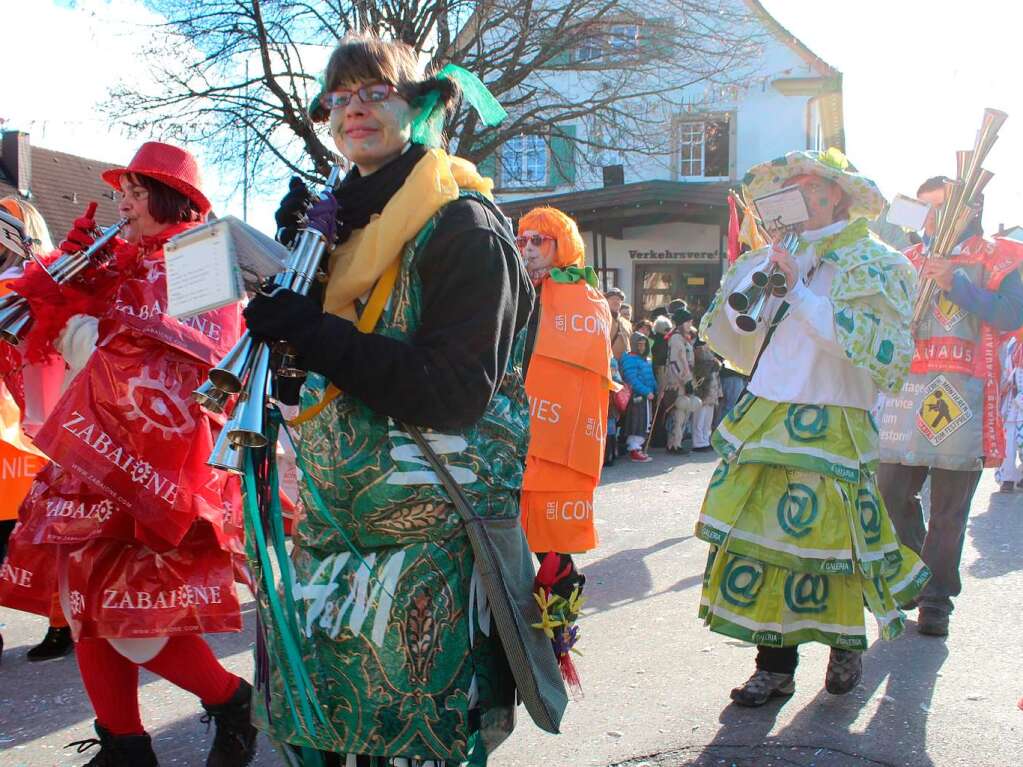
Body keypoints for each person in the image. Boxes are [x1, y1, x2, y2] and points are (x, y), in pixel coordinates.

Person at [239, 35, 563, 764]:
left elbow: (450, 394)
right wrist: (299, 288)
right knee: (322, 737)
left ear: (416, 108)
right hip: (332, 542)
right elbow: (308, 383)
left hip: (428, 554)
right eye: (340, 97)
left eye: (374, 92)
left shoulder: (464, 227)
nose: (354, 108)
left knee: (415, 748)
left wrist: (313, 331)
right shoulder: (340, 226)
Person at [0, 144, 252, 766]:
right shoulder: (117, 260)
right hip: (89, 458)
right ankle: (125, 744)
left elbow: (204, 361)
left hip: (154, 466)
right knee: (86, 605)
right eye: (123, 193)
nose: (123, 205)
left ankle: (229, 699)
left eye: (137, 194)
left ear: (172, 200)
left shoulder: (201, 258)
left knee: (132, 615)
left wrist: (90, 341)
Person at [697, 148, 928, 707]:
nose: (795, 197)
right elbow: (732, 332)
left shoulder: (879, 263)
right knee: (766, 544)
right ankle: (773, 666)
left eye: (807, 187)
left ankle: (844, 646)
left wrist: (800, 290)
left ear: (837, 196)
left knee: (834, 545)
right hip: (770, 411)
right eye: (788, 188)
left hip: (835, 417)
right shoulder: (773, 254)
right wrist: (763, 279)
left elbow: (871, 349)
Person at [877, 175, 1023, 636]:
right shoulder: (907, 258)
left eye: (937, 208)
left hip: (967, 394)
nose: (927, 219)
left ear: (970, 208)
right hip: (908, 393)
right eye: (922, 209)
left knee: (949, 509)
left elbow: (1011, 314)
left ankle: (937, 599)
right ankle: (922, 573)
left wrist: (956, 283)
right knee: (891, 493)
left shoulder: (1001, 255)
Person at [516, 206, 613, 679]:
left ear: (563, 244)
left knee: (552, 549)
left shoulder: (586, 299)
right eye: (524, 239)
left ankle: (557, 636)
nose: (530, 248)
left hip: (561, 441)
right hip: (513, 433)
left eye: (541, 239)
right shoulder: (515, 291)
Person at [0, 197, 72, 663]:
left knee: (45, 530)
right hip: (6, 426)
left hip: (38, 423)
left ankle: (62, 621)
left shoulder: (40, 286)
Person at [620, 332, 656, 462]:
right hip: (637, 396)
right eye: (639, 344)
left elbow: (650, 377)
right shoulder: (630, 358)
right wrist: (647, 391)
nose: (641, 347)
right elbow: (632, 379)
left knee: (644, 422)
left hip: (646, 396)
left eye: (644, 344)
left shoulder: (645, 359)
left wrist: (655, 389)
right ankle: (634, 449)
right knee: (637, 422)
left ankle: (638, 448)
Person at [665, 306, 696, 455]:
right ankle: (673, 444)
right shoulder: (676, 338)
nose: (690, 325)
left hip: (685, 380)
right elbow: (675, 362)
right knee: (678, 413)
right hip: (677, 383)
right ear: (681, 323)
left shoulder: (684, 338)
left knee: (683, 413)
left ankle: (676, 442)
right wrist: (686, 381)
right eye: (688, 322)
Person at [996, 336, 1023, 491]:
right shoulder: (1012, 344)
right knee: (1008, 443)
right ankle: (1007, 479)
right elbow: (1004, 370)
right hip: (1010, 403)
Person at [690, 339, 721, 451]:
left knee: (707, 420)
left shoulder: (712, 361)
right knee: (699, 419)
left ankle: (705, 441)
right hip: (702, 393)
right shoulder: (698, 358)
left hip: (712, 393)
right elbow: (700, 375)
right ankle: (698, 443)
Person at [605, 286, 632, 361]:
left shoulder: (627, 323)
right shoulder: (602, 319)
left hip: (625, 363)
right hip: (608, 362)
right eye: (612, 299)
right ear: (606, 301)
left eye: (618, 299)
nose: (616, 301)